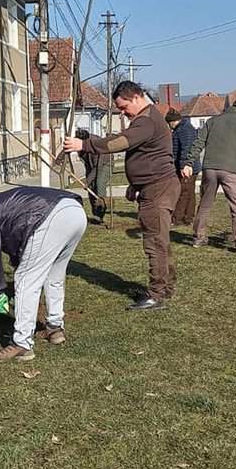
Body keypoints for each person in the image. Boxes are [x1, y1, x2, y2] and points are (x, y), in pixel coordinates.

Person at [62, 81, 179, 311]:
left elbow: (120, 142)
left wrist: (83, 144)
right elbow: (147, 154)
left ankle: (156, 294)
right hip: (155, 186)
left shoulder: (146, 121)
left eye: (124, 108)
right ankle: (165, 287)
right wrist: (136, 184)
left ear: (136, 97)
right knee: (161, 241)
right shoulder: (149, 118)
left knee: (155, 243)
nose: (123, 114)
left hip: (158, 190)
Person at [0, 187, 87, 362]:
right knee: (54, 275)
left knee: (25, 280)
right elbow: (20, 238)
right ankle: (55, 328)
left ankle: (22, 343)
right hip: (75, 211)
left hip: (49, 216)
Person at [184, 99, 236, 253]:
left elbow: (198, 142)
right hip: (231, 170)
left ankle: (198, 238)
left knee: (205, 204)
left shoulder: (212, 121)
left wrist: (188, 162)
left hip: (209, 168)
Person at [167, 109, 201, 227]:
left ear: (172, 121)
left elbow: (186, 149)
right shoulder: (185, 128)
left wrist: (183, 166)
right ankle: (188, 217)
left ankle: (178, 218)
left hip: (187, 167)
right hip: (191, 166)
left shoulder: (183, 129)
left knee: (183, 192)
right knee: (189, 192)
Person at [77, 129, 109, 222]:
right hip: (90, 163)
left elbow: (97, 168)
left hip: (104, 163)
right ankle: (95, 214)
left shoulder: (96, 146)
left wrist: (87, 181)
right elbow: (68, 146)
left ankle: (100, 214)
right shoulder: (78, 139)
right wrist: (60, 158)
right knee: (90, 188)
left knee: (99, 185)